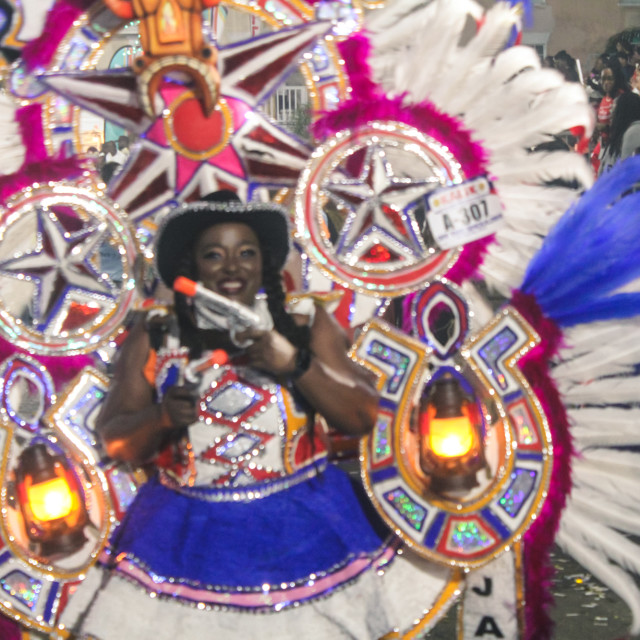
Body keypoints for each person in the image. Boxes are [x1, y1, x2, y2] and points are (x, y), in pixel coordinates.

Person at [60, 191, 441, 640]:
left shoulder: (303, 322)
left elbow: (360, 417)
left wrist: (294, 365)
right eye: (214, 255)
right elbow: (116, 440)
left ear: (264, 262)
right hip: (182, 537)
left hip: (308, 527)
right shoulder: (155, 332)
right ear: (192, 263)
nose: (232, 266)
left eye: (246, 253)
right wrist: (162, 417)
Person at [598, 91, 640, 175]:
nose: (610, 113)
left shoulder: (634, 132)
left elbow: (627, 174)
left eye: (614, 110)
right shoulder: (617, 137)